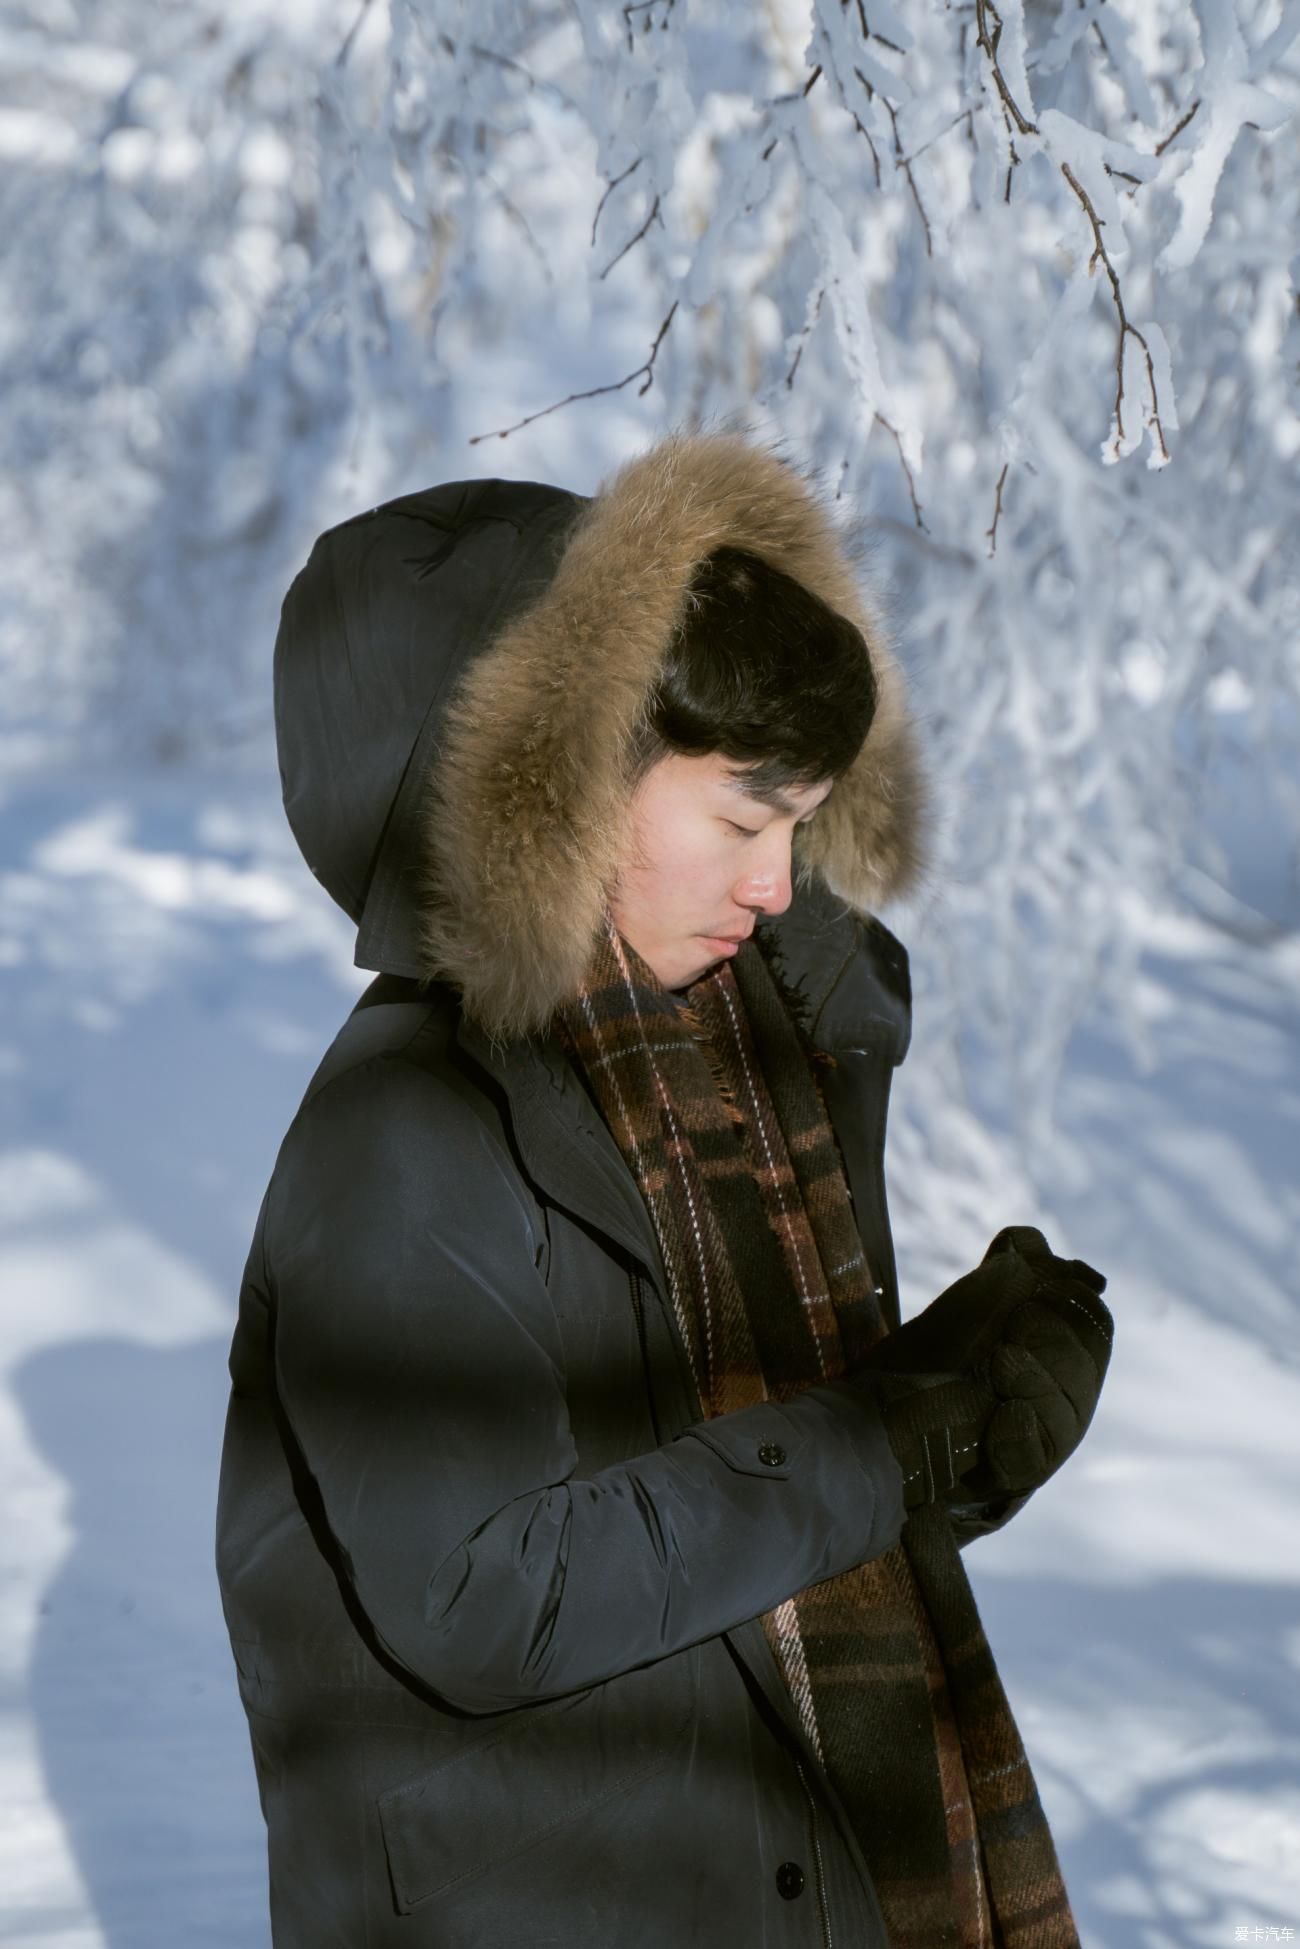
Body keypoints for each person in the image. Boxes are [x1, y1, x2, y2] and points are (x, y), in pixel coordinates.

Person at [215, 426, 1113, 1947]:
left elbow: (757, 1521)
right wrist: (887, 1442)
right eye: (745, 820)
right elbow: (493, 1595)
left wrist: (966, 1405)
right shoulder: (407, 1128)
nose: (777, 882)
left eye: (799, 825)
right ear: (565, 783)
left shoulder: (750, 1072)